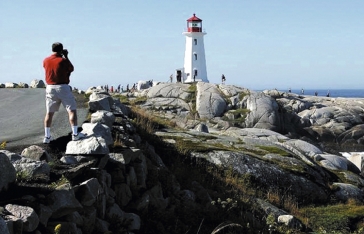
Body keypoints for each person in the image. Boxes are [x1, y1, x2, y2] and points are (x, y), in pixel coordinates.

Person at [42, 42, 86, 143]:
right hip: (62, 87)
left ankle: (47, 136)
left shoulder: (45, 60)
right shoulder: (62, 60)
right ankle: (75, 134)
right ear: (61, 50)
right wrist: (66, 56)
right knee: (71, 110)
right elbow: (71, 68)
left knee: (49, 113)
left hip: (50, 87)